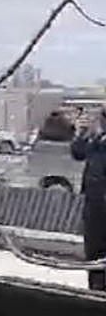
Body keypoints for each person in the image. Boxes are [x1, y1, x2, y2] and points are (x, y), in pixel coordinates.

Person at [71, 106, 106, 291]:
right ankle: (95, 294)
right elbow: (78, 153)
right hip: (94, 208)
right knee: (93, 256)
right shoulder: (98, 140)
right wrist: (81, 133)